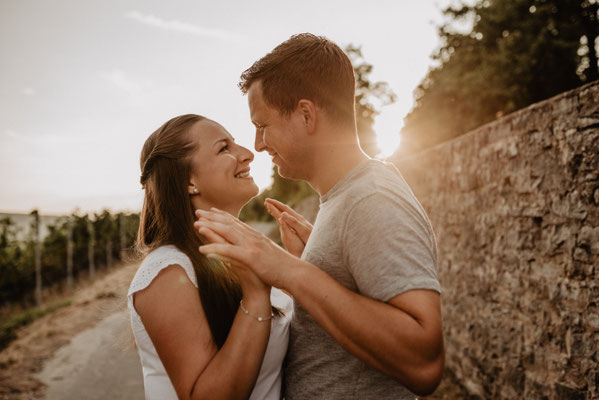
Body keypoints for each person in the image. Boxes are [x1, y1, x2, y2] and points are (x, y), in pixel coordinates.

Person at [194, 33, 445, 399]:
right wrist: (314, 263)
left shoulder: (371, 199)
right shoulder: (347, 196)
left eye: (262, 125)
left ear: (306, 115)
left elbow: (425, 362)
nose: (258, 144)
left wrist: (289, 270)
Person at [127, 114, 293, 400]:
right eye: (224, 148)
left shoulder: (240, 253)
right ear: (189, 181)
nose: (247, 153)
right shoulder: (168, 271)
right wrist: (255, 295)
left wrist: (298, 265)